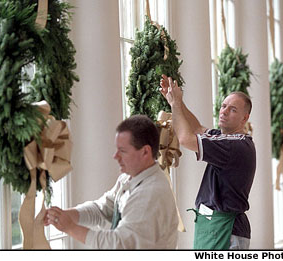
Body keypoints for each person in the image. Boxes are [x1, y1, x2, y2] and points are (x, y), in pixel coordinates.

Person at [44, 115, 179, 249]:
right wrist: (63, 216)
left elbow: (118, 244)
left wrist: (70, 228)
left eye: (122, 151)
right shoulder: (128, 178)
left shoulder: (150, 194)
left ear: (145, 152)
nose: (115, 156)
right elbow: (101, 209)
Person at [160, 74, 256, 249]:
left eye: (233, 110)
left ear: (244, 118)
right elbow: (196, 128)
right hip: (215, 226)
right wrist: (176, 102)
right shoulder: (227, 138)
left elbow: (185, 138)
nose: (224, 111)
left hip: (225, 230)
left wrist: (175, 105)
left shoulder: (233, 145)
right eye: (223, 106)